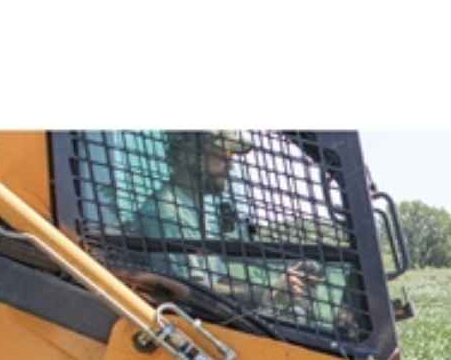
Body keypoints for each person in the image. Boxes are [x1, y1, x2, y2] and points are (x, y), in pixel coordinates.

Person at [129, 131, 319, 319]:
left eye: (232, 157)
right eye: (222, 155)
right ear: (187, 153)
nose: (230, 166)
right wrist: (266, 293)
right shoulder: (168, 211)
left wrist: (275, 286)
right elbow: (192, 293)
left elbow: (214, 281)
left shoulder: (198, 209)